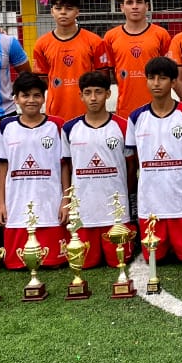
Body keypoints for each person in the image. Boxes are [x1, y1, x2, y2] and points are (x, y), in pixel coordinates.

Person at [126, 56, 182, 266]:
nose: (156, 83)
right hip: (150, 205)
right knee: (154, 260)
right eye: (151, 78)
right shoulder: (136, 117)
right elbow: (133, 161)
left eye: (162, 78)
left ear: (174, 82)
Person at [0, 71, 69, 269]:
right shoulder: (5, 126)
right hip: (17, 203)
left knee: (53, 264)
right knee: (17, 265)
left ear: (44, 98)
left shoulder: (57, 125)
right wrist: (1, 203)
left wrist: (65, 200)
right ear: (16, 99)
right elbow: (3, 165)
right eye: (25, 95)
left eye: (37, 95)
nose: (31, 100)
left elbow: (64, 165)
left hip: (49, 202)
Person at [63, 71, 135, 269]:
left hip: (116, 212)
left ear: (108, 94)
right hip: (84, 212)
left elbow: (131, 167)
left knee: (118, 261)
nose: (93, 98)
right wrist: (67, 201)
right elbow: (67, 166)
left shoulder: (122, 126)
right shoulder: (69, 128)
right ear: (81, 95)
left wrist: (125, 194)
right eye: (88, 93)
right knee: (85, 264)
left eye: (98, 92)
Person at [32, 0, 110, 122]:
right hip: (56, 114)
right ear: (52, 11)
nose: (63, 12)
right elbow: (42, 80)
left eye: (68, 8)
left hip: (88, 115)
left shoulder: (95, 42)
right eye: (58, 8)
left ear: (77, 12)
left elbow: (103, 78)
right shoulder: (41, 44)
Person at [103, 0, 170, 120]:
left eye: (139, 2)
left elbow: (168, 71)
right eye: (129, 3)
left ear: (147, 6)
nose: (134, 6)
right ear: (122, 7)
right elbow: (112, 71)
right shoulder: (110, 37)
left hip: (158, 111)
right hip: (125, 110)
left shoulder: (161, 34)